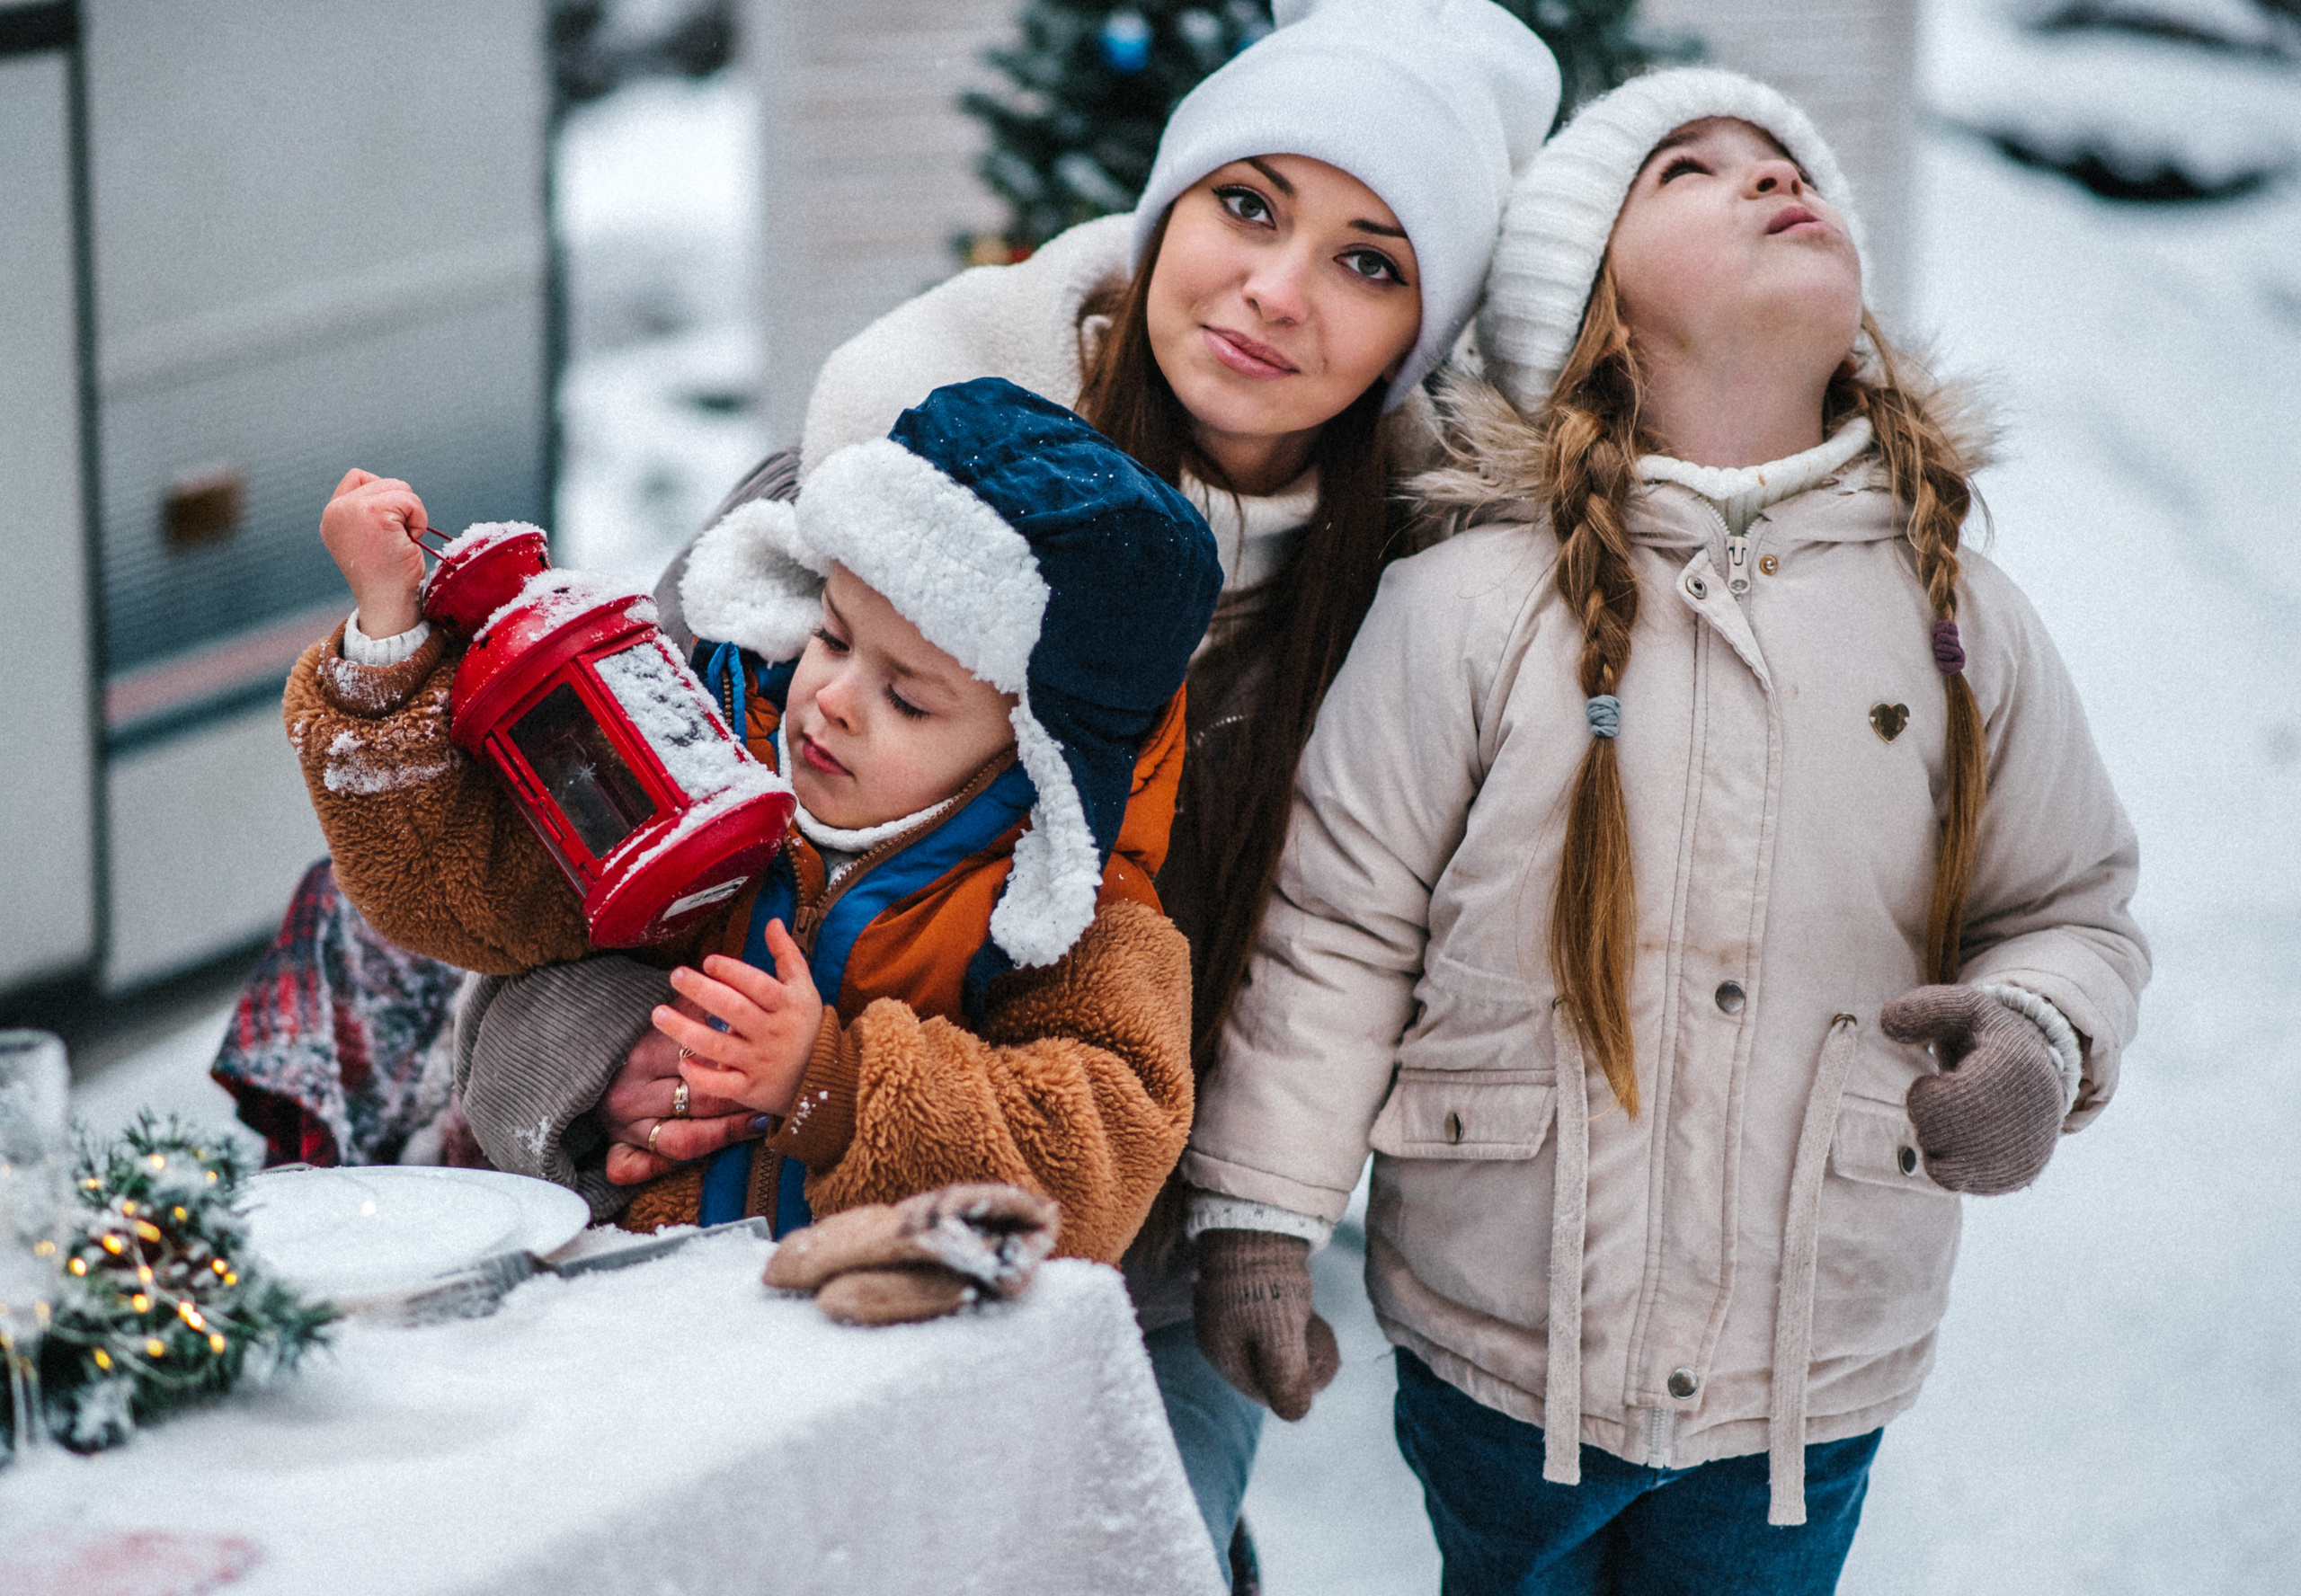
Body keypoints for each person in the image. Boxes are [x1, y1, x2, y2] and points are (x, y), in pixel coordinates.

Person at [422, 0, 1561, 1582]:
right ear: (1167, 207)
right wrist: (604, 1058)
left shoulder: (1411, 618)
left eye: (1370, 262)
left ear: (1419, 333)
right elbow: (573, 846)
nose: (1277, 290)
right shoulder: (883, 472)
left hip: (1106, 1281)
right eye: (1247, 205)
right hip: (690, 1218)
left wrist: (1251, 1237)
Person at [1177, 67, 2149, 1593]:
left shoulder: (1958, 618)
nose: (1770, 175)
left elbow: (2070, 905)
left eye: (1786, 160)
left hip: (1808, 1371)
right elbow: (1338, 932)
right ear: (1595, 315)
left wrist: (2040, 1030)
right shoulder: (1469, 606)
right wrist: (1258, 1214)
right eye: (1690, 169)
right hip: (1505, 1354)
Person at [288, 377, 1222, 1255]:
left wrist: (835, 1083)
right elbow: (476, 895)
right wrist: (390, 648)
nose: (834, 701)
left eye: (908, 700)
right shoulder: (702, 767)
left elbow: (1099, 1159)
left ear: (1035, 752)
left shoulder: (1064, 921)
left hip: (876, 1340)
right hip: (646, 1310)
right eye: (834, 638)